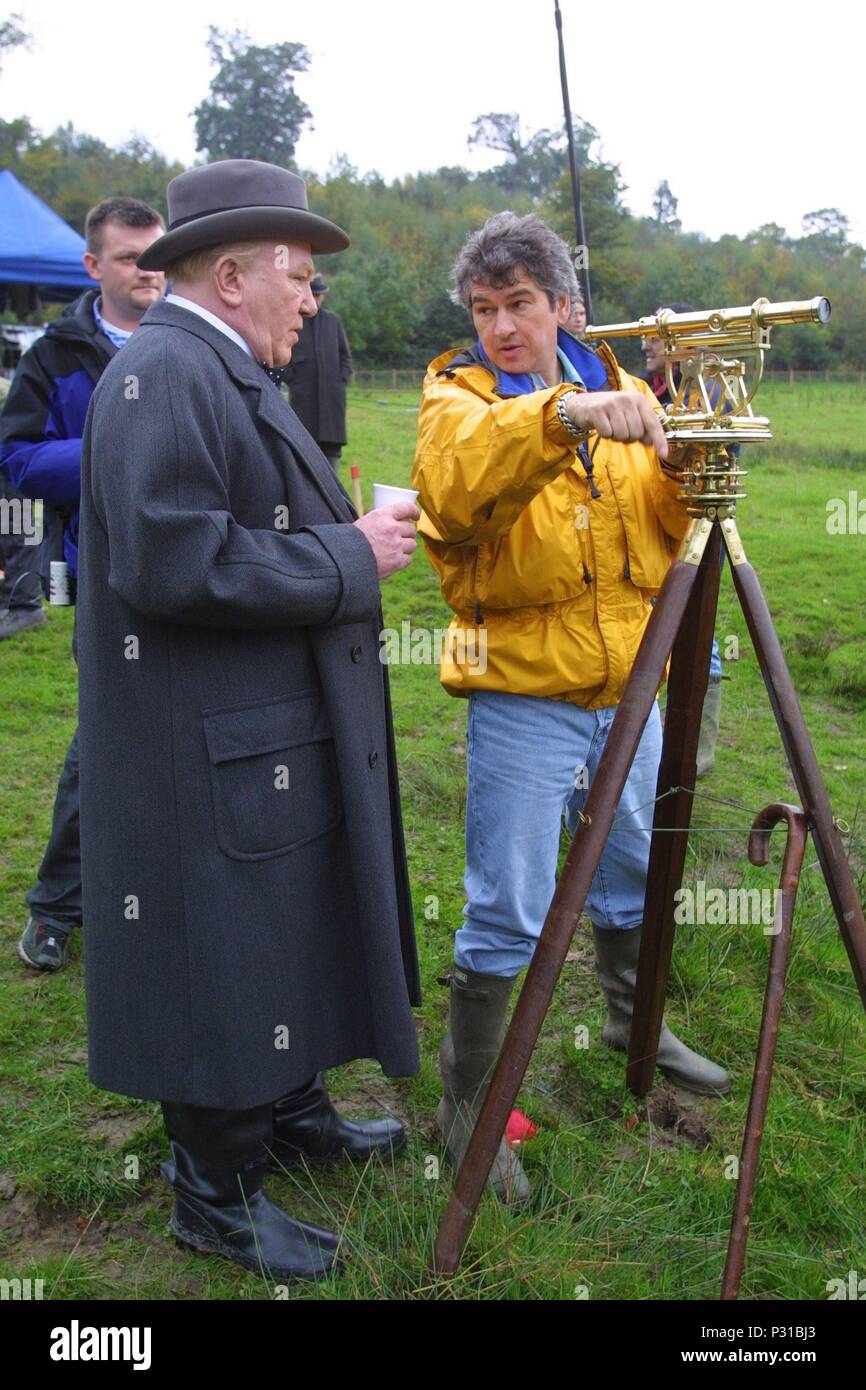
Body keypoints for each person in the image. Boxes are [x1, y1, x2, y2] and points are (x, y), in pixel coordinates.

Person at [76, 158, 422, 1282]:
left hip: (256, 734)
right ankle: (213, 1196)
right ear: (230, 274)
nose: (312, 299)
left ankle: (288, 1114)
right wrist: (346, 555)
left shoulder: (217, 364)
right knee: (222, 950)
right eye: (299, 275)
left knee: (277, 928)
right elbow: (173, 559)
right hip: (207, 744)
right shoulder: (168, 373)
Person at [412, 212, 730, 1205]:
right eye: (484, 308)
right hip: (521, 693)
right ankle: (467, 1104)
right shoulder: (455, 396)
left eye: (519, 304)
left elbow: (662, 524)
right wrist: (559, 421)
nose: (502, 324)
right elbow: (453, 490)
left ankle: (633, 1027)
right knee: (505, 901)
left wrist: (688, 469)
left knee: (633, 868)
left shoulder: (621, 384)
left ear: (560, 307)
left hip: (628, 686)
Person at [0, 196, 166, 972]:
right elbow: (15, 465)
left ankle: (168, 900)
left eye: (156, 255)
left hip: (204, 566)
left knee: (192, 741)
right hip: (104, 575)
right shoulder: (56, 355)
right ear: (94, 266)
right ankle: (56, 904)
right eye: (131, 258)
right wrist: (107, 442)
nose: (149, 271)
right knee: (103, 743)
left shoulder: (193, 337)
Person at [641, 304, 725, 776]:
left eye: (659, 337)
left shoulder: (705, 392)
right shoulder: (651, 387)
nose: (649, 344)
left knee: (698, 628)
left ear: (686, 346)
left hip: (693, 523)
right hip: (653, 524)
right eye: (651, 337)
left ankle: (696, 753)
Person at [282, 270, 352, 470]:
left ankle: (333, 498)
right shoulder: (293, 322)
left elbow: (345, 356)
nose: (315, 299)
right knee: (303, 453)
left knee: (332, 458)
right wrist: (294, 380)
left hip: (332, 404)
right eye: (312, 294)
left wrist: (341, 380)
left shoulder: (333, 321)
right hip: (304, 403)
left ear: (323, 296)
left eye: (318, 295)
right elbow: (282, 358)